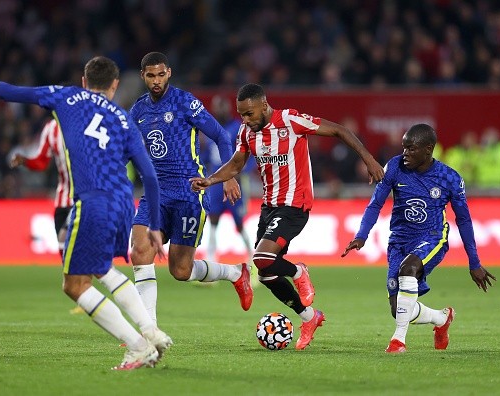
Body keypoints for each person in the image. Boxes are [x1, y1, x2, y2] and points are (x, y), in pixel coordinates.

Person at [0, 56, 172, 370]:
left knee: (74, 285)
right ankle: (151, 330)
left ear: (85, 81)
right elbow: (149, 176)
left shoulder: (66, 96)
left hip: (93, 202)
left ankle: (140, 347)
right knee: (102, 269)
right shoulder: (124, 119)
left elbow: (12, 92)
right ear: (114, 85)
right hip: (124, 203)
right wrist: (152, 224)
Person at [190, 83, 385, 350]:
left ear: (263, 105)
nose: (245, 120)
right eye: (242, 115)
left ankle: (298, 270)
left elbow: (340, 130)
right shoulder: (248, 133)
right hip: (269, 207)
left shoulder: (291, 120)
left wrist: (368, 159)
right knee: (266, 272)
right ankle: (309, 317)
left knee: (261, 258)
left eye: (249, 114)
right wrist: (211, 180)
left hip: (295, 204)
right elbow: (236, 163)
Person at [342, 123, 496, 353]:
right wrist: (361, 235)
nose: (405, 154)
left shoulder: (449, 178)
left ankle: (398, 341)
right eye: (404, 148)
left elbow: (463, 220)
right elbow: (375, 204)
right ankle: (441, 319)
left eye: (411, 149)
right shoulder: (394, 167)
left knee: (409, 269)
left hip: (432, 236)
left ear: (428, 149)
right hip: (399, 241)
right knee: (399, 308)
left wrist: (474, 262)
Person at [128, 52, 252, 325]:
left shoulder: (185, 102)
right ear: (143, 76)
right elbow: (127, 149)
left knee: (181, 270)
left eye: (161, 74)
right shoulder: (137, 111)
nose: (156, 80)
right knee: (139, 253)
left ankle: (234, 273)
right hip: (154, 194)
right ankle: (148, 329)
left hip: (188, 192)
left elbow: (220, 135)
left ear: (169, 73)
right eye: (151, 75)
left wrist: (229, 176)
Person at [201, 95, 254, 268]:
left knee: (238, 222)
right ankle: (210, 258)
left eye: (221, 107)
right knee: (213, 219)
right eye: (216, 107)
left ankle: (252, 257)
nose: (218, 110)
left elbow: (249, 153)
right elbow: (208, 155)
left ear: (228, 108)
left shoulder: (238, 128)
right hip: (216, 184)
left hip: (234, 181)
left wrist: (240, 172)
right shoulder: (211, 131)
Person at [10, 119, 71, 258]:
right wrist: (25, 161)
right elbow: (42, 162)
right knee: (68, 260)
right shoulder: (51, 128)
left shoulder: (87, 122)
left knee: (66, 241)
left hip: (84, 200)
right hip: (62, 201)